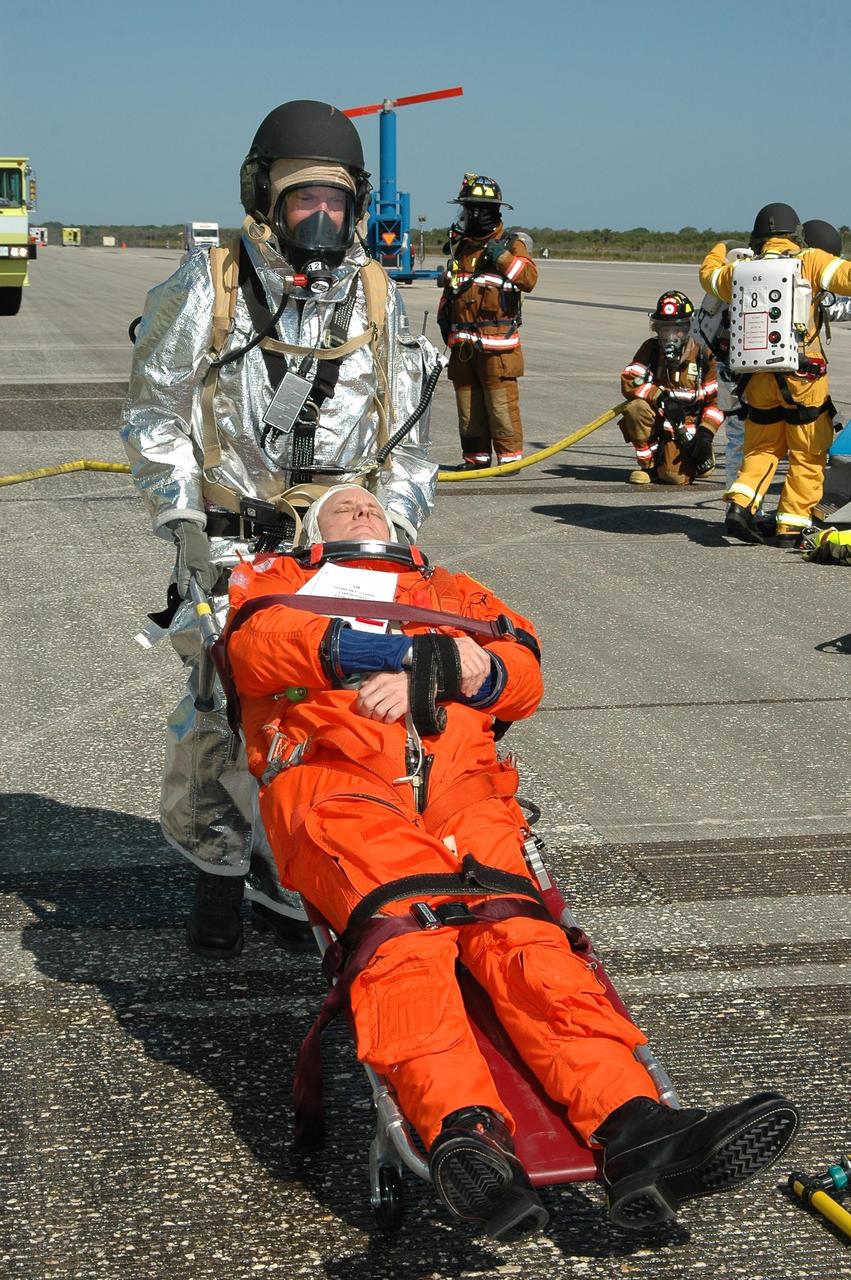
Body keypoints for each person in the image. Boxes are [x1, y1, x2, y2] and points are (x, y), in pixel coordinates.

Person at [223, 484, 799, 1242]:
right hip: (339, 787)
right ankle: (465, 1130)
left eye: (372, 504)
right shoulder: (278, 582)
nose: (362, 511)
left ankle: (636, 1127)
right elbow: (256, 649)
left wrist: (467, 673)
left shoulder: (451, 589)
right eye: (343, 506)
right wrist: (414, 654)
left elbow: (521, 671)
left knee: (523, 935)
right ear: (310, 529)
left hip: (463, 793)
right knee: (403, 938)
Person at [121, 100, 441, 959]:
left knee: (338, 709)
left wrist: (388, 541)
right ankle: (219, 878)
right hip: (229, 544)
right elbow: (155, 413)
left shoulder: (376, 296)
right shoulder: (209, 285)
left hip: (340, 548)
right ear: (264, 197)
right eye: (304, 199)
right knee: (222, 710)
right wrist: (182, 518)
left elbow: (407, 445)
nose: (322, 218)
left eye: (337, 202)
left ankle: (299, 879)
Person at [700, 203, 851, 545]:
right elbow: (846, 279)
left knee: (762, 449)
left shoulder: (740, 268)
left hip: (757, 380)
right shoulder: (810, 260)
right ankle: (791, 527)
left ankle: (739, 506)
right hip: (804, 378)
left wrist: (720, 248)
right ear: (795, 234)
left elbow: (708, 276)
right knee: (807, 454)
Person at [437, 174, 538, 469]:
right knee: (468, 409)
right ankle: (476, 459)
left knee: (500, 407)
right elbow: (453, 289)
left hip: (498, 349)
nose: (464, 216)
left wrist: (504, 258)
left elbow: (530, 279)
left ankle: (508, 460)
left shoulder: (511, 244)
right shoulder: (462, 248)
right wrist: (445, 319)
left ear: (481, 212)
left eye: (468, 210)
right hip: (463, 347)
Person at [619, 292, 724, 485]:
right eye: (664, 330)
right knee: (635, 409)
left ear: (688, 327)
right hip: (659, 415)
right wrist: (660, 397)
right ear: (656, 329)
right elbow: (630, 378)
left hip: (687, 425)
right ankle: (648, 467)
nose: (671, 336)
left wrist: (705, 434)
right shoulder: (650, 349)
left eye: (678, 329)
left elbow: (717, 401)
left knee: (674, 477)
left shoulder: (703, 355)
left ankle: (695, 456)